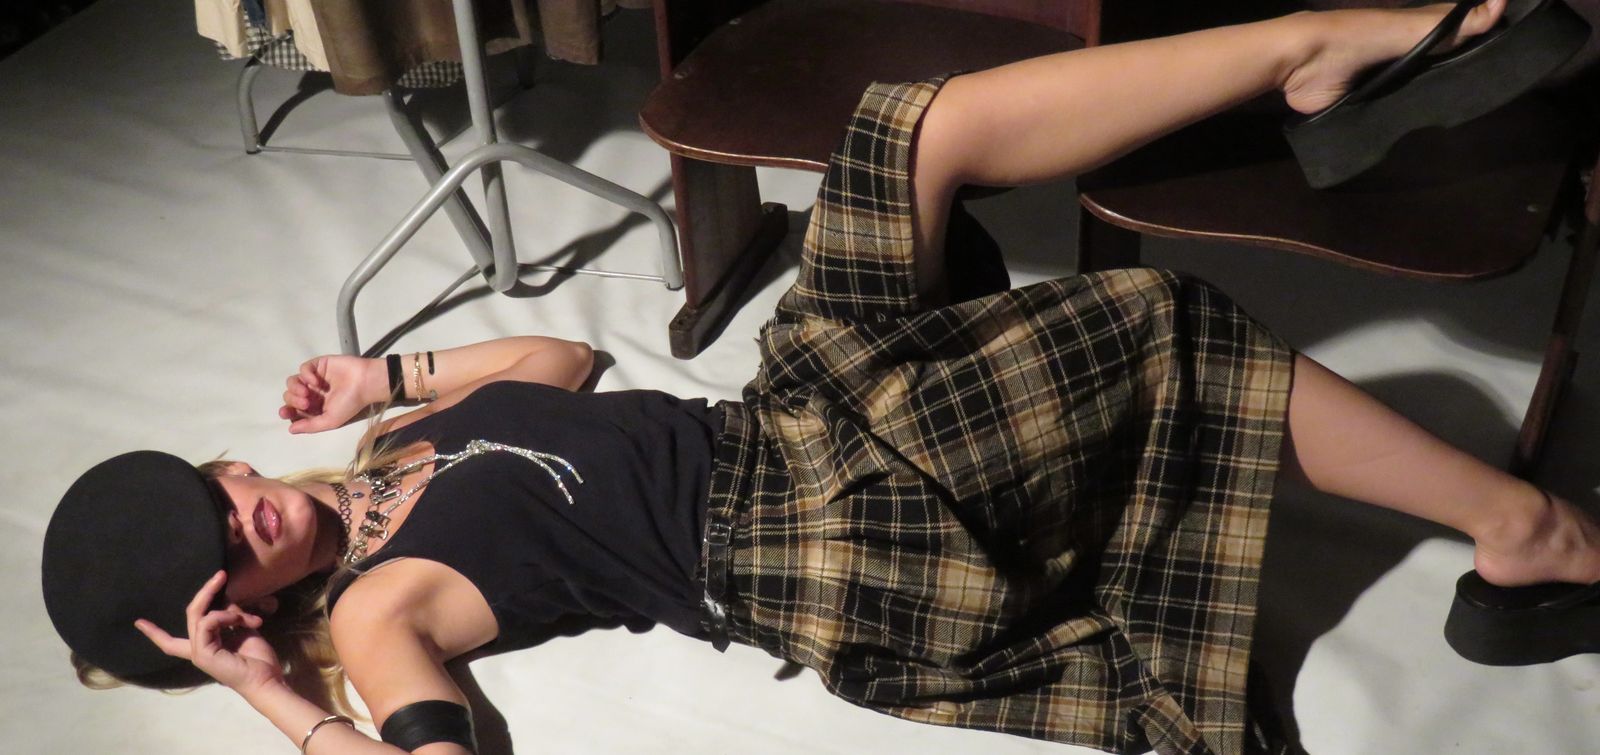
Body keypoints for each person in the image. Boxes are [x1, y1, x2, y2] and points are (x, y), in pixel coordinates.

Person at [40, 2, 1600, 754]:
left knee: (906, 131)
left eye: (211, 495)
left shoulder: (393, 455)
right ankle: (1526, 535)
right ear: (235, 613)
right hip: (814, 544)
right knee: (1152, 323)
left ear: (225, 464)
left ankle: (1312, 51)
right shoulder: (381, 615)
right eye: (217, 562)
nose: (241, 519)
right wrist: (276, 698)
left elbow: (561, 360)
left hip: (787, 417)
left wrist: (388, 372)